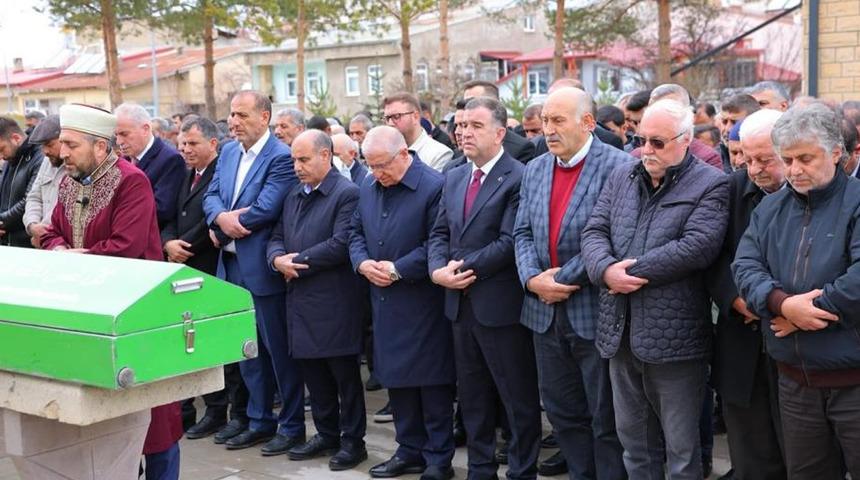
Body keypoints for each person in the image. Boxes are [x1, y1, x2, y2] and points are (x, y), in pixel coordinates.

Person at [581, 99, 729, 479]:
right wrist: (604, 269)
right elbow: (594, 230)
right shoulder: (623, 176)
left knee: (681, 451)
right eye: (639, 138)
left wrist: (625, 272)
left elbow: (697, 247)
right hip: (620, 333)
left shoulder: (711, 184)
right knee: (635, 446)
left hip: (676, 339)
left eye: (657, 142)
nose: (645, 149)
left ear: (685, 140)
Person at [41, 103, 183, 480]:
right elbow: (51, 230)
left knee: (154, 420)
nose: (63, 152)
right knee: (108, 421)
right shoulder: (70, 183)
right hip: (89, 315)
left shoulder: (131, 181)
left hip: (138, 315)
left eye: (71, 144)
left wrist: (73, 259)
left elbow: (128, 247)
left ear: (100, 147)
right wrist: (58, 250)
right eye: (62, 144)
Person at [732, 103, 860, 480]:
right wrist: (783, 305)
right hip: (795, 382)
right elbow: (745, 267)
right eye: (787, 160)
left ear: (836, 152)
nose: (794, 170)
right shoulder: (770, 210)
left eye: (806, 158)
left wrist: (807, 313)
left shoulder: (856, 202)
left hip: (853, 381)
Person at [513, 87, 628, 480]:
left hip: (593, 308)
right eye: (545, 120)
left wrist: (560, 278)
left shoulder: (618, 166)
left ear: (588, 122)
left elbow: (613, 238)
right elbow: (523, 232)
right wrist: (531, 279)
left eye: (558, 120)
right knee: (562, 413)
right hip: (544, 313)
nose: (548, 129)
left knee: (605, 417)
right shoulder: (536, 168)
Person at [428, 96, 541, 480]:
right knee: (472, 396)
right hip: (458, 304)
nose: (464, 133)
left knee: (516, 397)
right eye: (461, 126)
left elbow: (510, 242)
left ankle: (523, 470)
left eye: (475, 126)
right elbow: (439, 232)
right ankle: (480, 468)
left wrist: (457, 267)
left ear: (499, 132)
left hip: (500, 305)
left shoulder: (519, 176)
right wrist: (436, 271)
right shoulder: (456, 175)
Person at [349, 126, 455, 480]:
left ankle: (439, 458)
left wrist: (396, 269)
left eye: (383, 166)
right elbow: (355, 232)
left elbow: (438, 243)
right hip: (382, 299)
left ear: (404, 155)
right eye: (371, 166)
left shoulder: (435, 186)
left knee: (431, 384)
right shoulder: (368, 184)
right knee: (398, 381)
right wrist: (362, 263)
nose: (377, 174)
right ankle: (408, 449)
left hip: (423, 302)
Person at [203, 90, 306, 455]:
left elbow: (267, 207)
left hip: (263, 270)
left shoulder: (280, 156)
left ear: (264, 117)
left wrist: (228, 221)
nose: (233, 122)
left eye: (242, 115)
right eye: (231, 114)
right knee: (247, 353)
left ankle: (292, 426)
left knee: (278, 353)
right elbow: (211, 195)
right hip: (230, 267)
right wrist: (219, 217)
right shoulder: (229, 151)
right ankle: (259, 421)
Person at [266, 129, 368, 471]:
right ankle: (326, 434)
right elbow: (276, 235)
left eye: (304, 159)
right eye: (294, 159)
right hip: (300, 301)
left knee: (344, 379)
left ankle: (353, 442)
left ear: (326, 156)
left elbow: (341, 244)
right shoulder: (295, 193)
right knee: (315, 376)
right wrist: (277, 258)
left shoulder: (346, 193)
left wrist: (295, 261)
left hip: (335, 302)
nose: (297, 166)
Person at [708, 108, 788, 480]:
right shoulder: (730, 189)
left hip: (795, 339)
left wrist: (778, 304)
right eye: (745, 157)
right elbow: (713, 255)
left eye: (764, 160)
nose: (753, 169)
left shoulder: (817, 193)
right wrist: (736, 298)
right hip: (742, 337)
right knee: (750, 451)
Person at [162, 116, 249, 441]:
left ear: (213, 144)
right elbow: (172, 215)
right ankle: (208, 409)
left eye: (193, 144)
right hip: (183, 268)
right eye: (182, 144)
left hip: (212, 268)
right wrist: (168, 242)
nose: (185, 150)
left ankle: (220, 410)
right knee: (192, 344)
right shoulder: (187, 175)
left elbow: (216, 220)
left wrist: (187, 246)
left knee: (217, 346)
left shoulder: (221, 176)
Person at [114, 103, 186, 231]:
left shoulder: (170, 160)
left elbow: (162, 209)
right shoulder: (122, 161)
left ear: (145, 129)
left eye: (124, 134)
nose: (119, 142)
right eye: (116, 135)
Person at [462, 81, 536, 163]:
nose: (466, 134)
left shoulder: (520, 149)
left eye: (473, 102)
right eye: (464, 125)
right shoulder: (459, 157)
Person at [0, 116, 44, 247]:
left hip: (27, 244)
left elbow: (28, 201)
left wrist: (1, 221)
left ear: (16, 138)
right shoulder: (11, 157)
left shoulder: (40, 157)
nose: (1, 156)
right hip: (8, 241)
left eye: (1, 149)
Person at [23, 114, 64, 248]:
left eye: (49, 145)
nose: (45, 151)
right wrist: (32, 225)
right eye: (42, 146)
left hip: (62, 245)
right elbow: (34, 197)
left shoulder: (78, 167)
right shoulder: (47, 161)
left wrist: (44, 233)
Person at [383, 92, 453, 172]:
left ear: (415, 116)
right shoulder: (384, 152)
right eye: (387, 118)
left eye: (396, 117)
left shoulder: (439, 154)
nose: (390, 123)